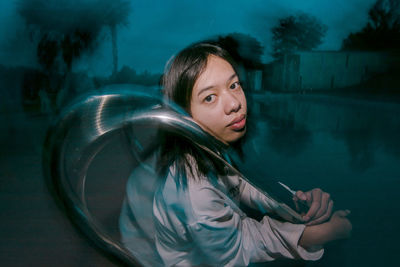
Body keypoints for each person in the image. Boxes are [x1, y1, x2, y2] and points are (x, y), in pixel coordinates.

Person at [121, 42, 352, 266]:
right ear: (184, 117)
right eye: (209, 97)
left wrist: (289, 205)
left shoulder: (207, 146)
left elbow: (238, 184)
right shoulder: (195, 193)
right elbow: (240, 248)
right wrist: (316, 234)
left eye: (233, 85)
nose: (234, 103)